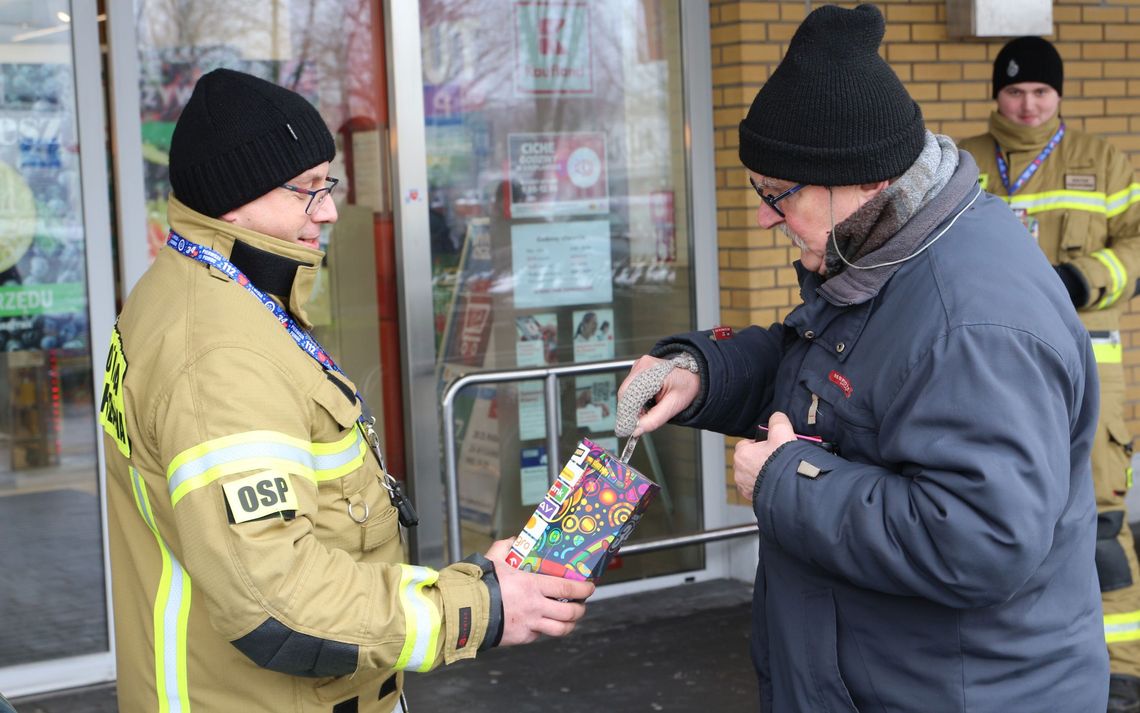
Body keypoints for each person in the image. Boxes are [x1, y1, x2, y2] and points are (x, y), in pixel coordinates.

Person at [617, 5, 1106, 711]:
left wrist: (788, 482)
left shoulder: (971, 323)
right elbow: (825, 369)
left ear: (863, 180)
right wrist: (703, 374)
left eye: (776, 194)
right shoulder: (887, 248)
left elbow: (981, 536)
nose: (764, 216)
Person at [98, 68, 593, 713]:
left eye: (326, 184)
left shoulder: (209, 293)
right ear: (235, 199)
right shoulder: (217, 355)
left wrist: (478, 580)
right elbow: (276, 602)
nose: (328, 209)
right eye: (306, 190)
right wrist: (483, 607)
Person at [959, 36, 1140, 713]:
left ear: (1058, 94)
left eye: (1040, 91)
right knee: (995, 517)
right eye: (1014, 91)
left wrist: (1082, 278)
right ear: (996, 94)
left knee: (1100, 530)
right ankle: (1012, 671)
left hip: (1086, 377)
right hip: (986, 374)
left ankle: (1122, 677)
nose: (1028, 104)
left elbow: (1138, 244)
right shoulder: (961, 161)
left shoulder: (1103, 162)